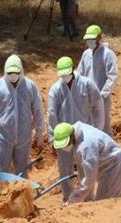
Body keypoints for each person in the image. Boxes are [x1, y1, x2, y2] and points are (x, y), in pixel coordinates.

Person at [48, 56, 105, 201]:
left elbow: (98, 106)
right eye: (62, 74)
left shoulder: (87, 84)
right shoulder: (56, 89)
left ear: (73, 69)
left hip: (82, 134)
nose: (65, 77)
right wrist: (53, 138)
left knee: (85, 168)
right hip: (63, 136)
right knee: (65, 168)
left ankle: (88, 197)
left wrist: (97, 129)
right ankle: (68, 197)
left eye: (67, 73)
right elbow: (52, 114)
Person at [0, 54, 45, 178]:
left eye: (16, 73)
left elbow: (37, 109)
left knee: (22, 172)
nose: (13, 75)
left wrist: (39, 131)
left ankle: (21, 190)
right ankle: (2, 190)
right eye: (10, 73)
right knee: (1, 171)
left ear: (21, 71)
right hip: (3, 137)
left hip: (24, 137)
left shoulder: (30, 86)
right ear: (5, 71)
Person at [52, 121, 121, 203]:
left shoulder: (86, 146)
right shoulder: (77, 135)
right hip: (104, 165)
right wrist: (87, 199)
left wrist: (73, 199)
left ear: (71, 135)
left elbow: (90, 179)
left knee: (106, 202)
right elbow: (83, 170)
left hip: (114, 166)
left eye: (66, 143)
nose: (65, 147)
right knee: (102, 200)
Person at [77, 25, 119, 137]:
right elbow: (79, 73)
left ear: (99, 38)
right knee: (88, 124)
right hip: (87, 96)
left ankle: (108, 146)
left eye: (93, 39)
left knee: (104, 126)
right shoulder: (86, 54)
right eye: (88, 39)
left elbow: (112, 76)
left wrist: (102, 94)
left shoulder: (107, 54)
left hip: (102, 97)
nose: (90, 41)